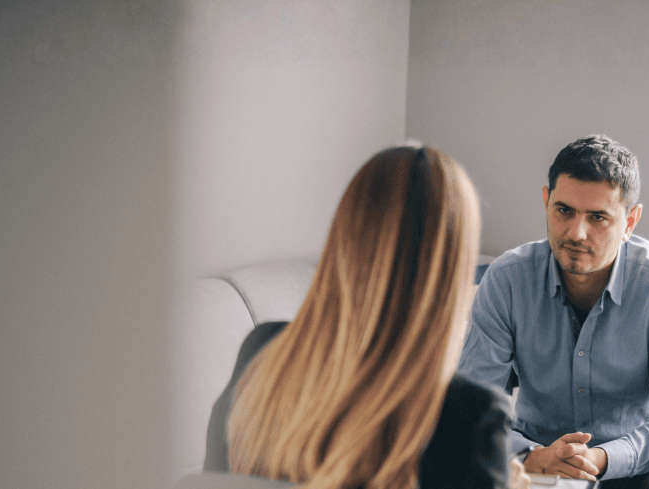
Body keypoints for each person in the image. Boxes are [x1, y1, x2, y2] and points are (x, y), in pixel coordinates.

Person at [204, 145, 530, 489]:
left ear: (343, 238)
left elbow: (210, 481)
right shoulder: (469, 416)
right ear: (451, 268)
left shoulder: (262, 352)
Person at [458, 135, 649, 489]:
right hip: (534, 461)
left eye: (598, 217)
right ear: (546, 202)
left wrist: (601, 459)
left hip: (629, 464)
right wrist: (533, 456)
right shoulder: (506, 280)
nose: (576, 233)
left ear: (630, 221)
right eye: (564, 211)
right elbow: (471, 412)